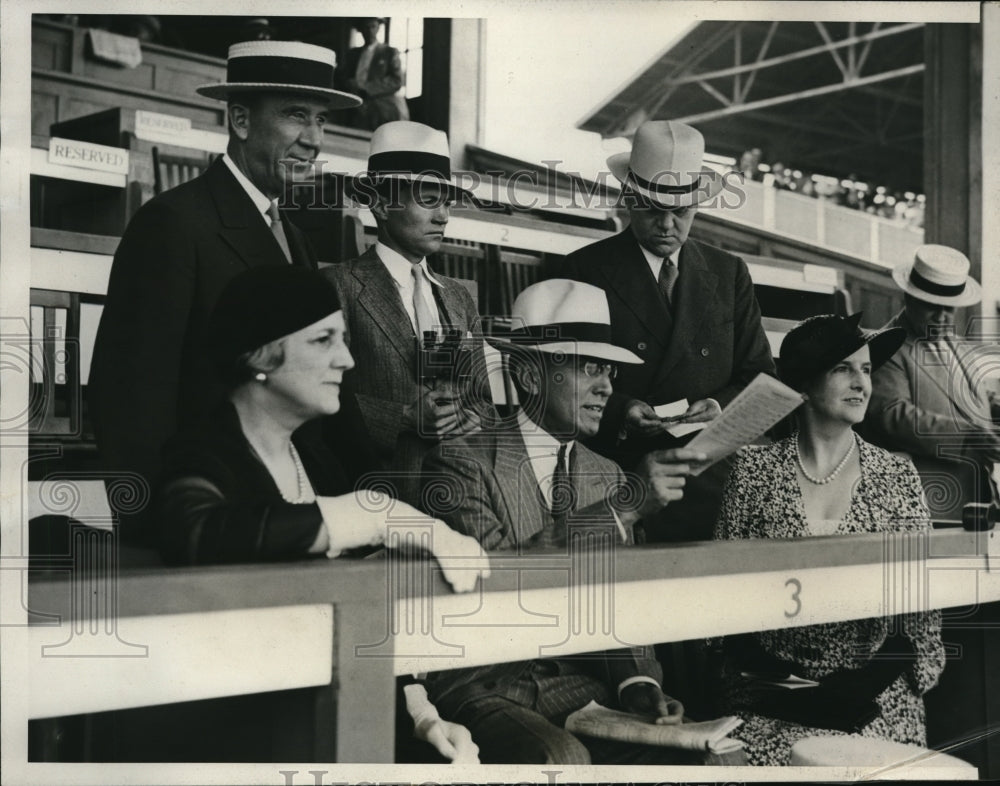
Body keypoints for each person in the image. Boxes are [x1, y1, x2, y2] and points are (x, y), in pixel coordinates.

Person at [155, 265, 485, 762]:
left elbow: (360, 611)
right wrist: (372, 511)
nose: (347, 360)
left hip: (314, 723)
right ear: (260, 356)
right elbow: (198, 531)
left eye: (345, 340)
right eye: (323, 340)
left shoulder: (318, 462)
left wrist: (423, 716)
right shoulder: (200, 454)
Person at [421, 279, 715, 765]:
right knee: (561, 759)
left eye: (609, 370)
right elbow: (498, 585)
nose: (607, 386)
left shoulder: (607, 473)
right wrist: (623, 509)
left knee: (705, 755)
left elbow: (622, 603)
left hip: (582, 687)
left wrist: (636, 683)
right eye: (588, 368)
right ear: (531, 376)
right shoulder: (459, 463)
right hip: (487, 683)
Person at [90, 40, 361, 546]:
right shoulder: (172, 224)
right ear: (239, 120)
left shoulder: (295, 237)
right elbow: (129, 401)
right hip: (206, 514)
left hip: (287, 508)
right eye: (297, 116)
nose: (313, 139)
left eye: (322, 121)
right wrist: (158, 530)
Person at [715, 313, 945, 766]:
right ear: (803, 385)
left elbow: (921, 616)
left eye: (866, 369)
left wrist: (859, 687)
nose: (862, 382)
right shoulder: (752, 472)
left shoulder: (898, 475)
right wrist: (777, 683)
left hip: (873, 696)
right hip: (771, 697)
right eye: (843, 368)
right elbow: (723, 605)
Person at [554, 119, 774, 542]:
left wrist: (715, 404)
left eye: (682, 212)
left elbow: (760, 378)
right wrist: (621, 411)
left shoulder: (728, 273)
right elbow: (562, 378)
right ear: (628, 199)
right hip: (618, 475)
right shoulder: (584, 269)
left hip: (711, 475)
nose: (668, 225)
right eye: (655, 210)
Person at [324, 120, 489, 506]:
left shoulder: (460, 297)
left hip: (461, 495)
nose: (443, 216)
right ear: (381, 204)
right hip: (377, 491)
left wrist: (471, 414)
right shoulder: (339, 285)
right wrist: (402, 417)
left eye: (446, 202)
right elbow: (323, 399)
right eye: (428, 200)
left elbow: (482, 395)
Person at [863, 244, 1000, 522]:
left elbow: (977, 396)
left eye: (948, 309)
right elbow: (894, 415)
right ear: (908, 298)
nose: (941, 318)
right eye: (931, 307)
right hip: (929, 499)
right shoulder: (886, 346)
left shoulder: (957, 345)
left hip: (979, 493)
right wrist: (969, 435)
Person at [338, 17, 410, 130]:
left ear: (378, 28)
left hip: (382, 110)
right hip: (356, 107)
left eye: (373, 26)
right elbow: (343, 77)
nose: (370, 31)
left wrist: (365, 86)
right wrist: (349, 84)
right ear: (360, 29)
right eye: (366, 27)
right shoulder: (353, 54)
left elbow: (396, 81)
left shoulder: (389, 52)